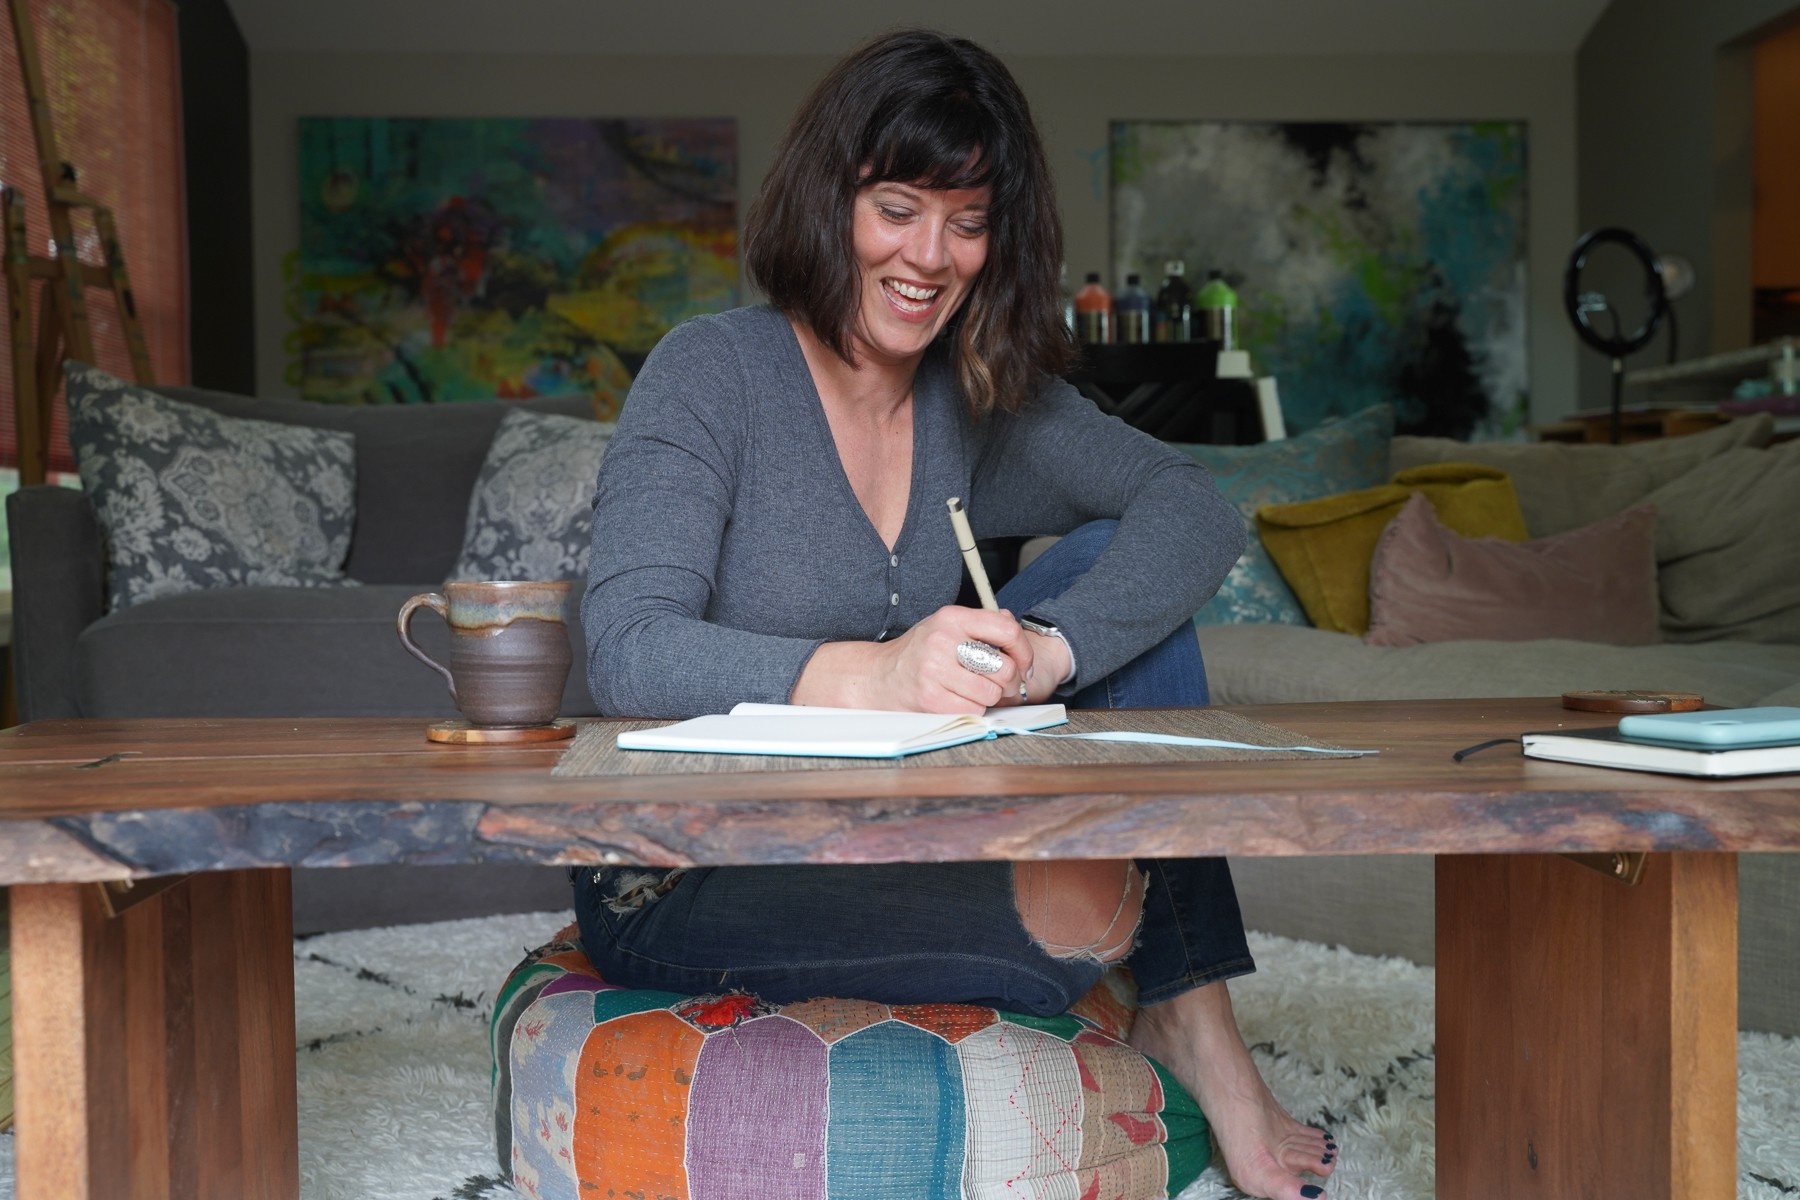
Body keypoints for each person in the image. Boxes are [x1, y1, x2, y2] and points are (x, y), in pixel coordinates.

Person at [576, 29, 1337, 1200]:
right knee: (1084, 912)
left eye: (967, 221)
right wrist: (873, 674)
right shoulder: (710, 372)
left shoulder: (972, 399)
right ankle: (1145, 970)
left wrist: (1054, 653)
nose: (929, 256)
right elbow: (627, 648)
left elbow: (1192, 508)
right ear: (829, 199)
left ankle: (1194, 1018)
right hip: (686, 861)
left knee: (1110, 571)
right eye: (897, 208)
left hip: (895, 820)